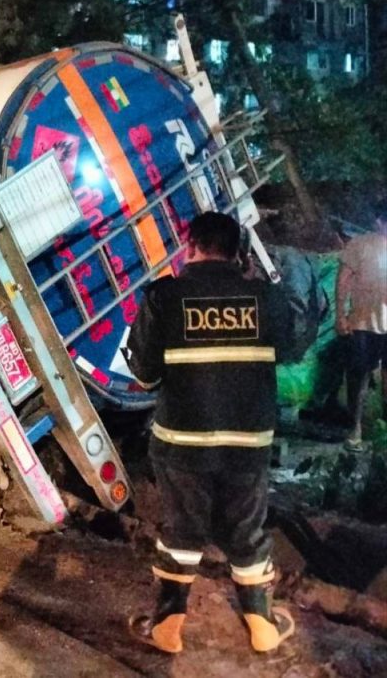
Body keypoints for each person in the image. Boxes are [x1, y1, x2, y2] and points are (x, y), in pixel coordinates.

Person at [126, 212, 294, 654]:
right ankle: (263, 626)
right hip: (247, 444)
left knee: (182, 531)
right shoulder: (266, 297)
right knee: (247, 532)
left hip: (182, 444)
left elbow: (143, 375)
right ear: (239, 253)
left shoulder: (164, 296)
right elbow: (291, 347)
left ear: (190, 246)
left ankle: (167, 627)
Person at [335, 202, 387, 451]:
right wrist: (340, 315)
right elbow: (343, 280)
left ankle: (381, 430)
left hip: (378, 322)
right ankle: (355, 428)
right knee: (359, 377)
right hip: (363, 322)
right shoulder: (359, 245)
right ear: (378, 221)